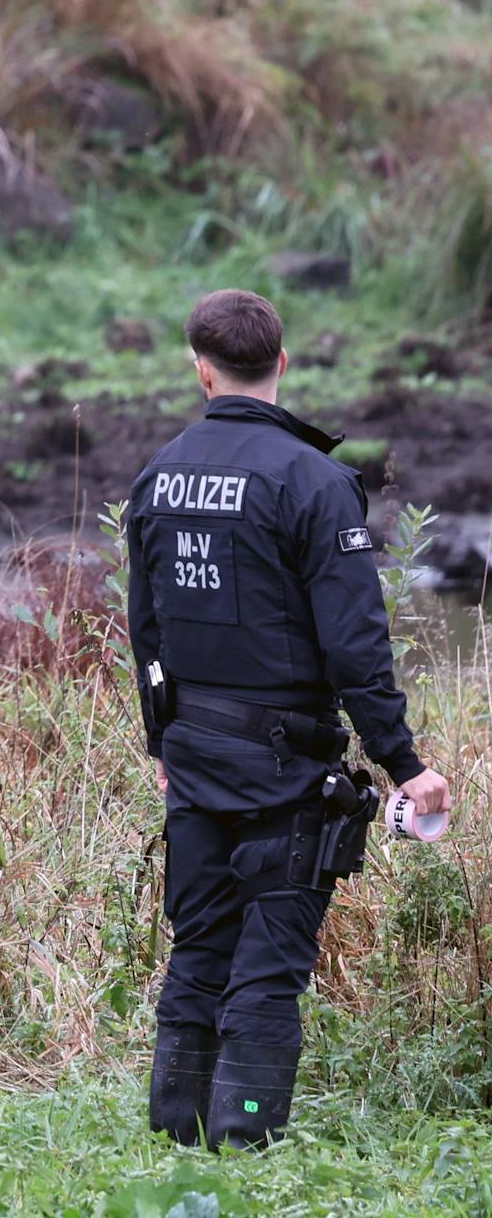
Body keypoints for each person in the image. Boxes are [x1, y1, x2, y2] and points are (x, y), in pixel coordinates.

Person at [129, 288, 452, 1149]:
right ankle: (244, 1145)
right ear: (284, 362)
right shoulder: (312, 479)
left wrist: (163, 740)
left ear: (201, 368)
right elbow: (355, 646)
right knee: (268, 970)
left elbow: (147, 630)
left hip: (194, 757)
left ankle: (175, 1139)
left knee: (198, 952)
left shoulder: (158, 476)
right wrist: (404, 763)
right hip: (285, 769)